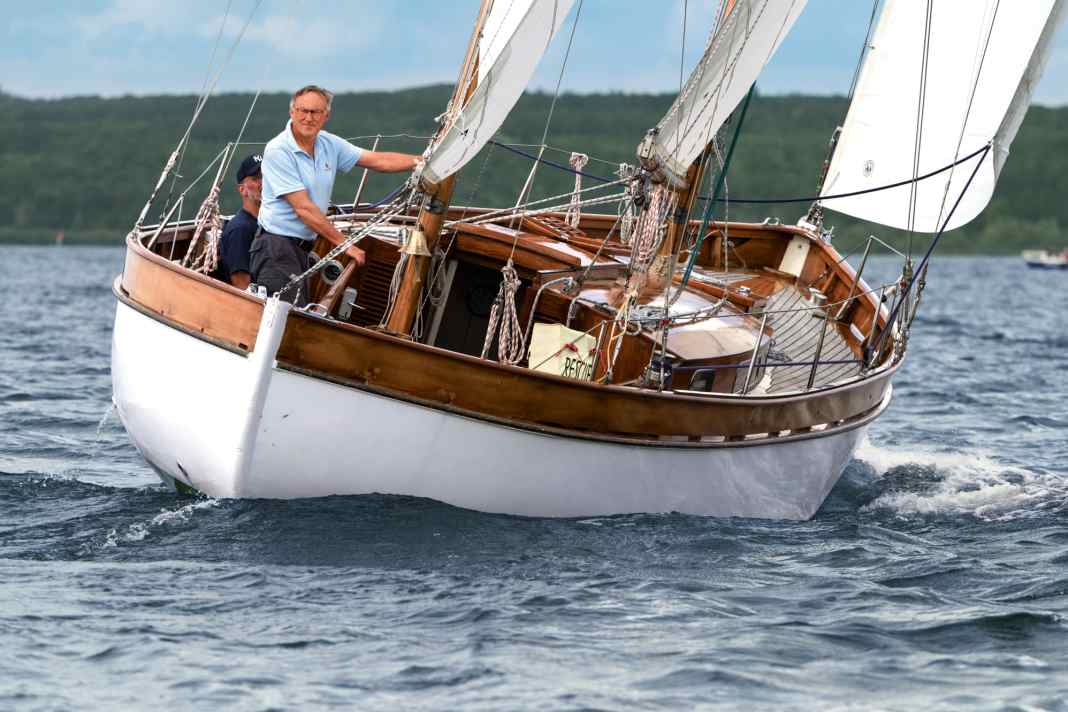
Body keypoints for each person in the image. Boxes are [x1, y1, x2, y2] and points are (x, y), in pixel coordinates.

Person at [252, 84, 420, 305]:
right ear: (292, 112)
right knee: (284, 316)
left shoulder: (328, 143)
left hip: (302, 248)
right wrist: (345, 245)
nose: (308, 118)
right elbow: (303, 209)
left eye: (315, 112)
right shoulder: (278, 150)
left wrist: (421, 162)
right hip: (276, 246)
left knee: (295, 314)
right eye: (303, 111)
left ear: (326, 116)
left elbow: (376, 160)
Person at [215, 154, 262, 290]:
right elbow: (242, 286)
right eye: (255, 178)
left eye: (266, 177)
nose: (262, 183)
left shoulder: (267, 225)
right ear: (242, 190)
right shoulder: (240, 229)